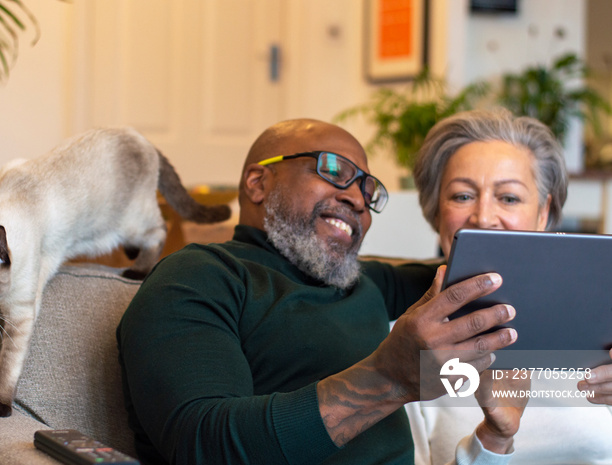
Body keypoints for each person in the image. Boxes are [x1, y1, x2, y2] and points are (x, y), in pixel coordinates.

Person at [117, 118, 519, 465]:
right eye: (334, 171)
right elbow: (202, 445)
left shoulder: (366, 282)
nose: (357, 199)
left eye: (368, 190)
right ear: (258, 182)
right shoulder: (201, 275)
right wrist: (387, 379)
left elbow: (490, 274)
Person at [409, 108, 612, 464]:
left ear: (544, 212)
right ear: (435, 211)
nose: (484, 217)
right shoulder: (402, 346)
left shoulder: (600, 329)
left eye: (509, 198)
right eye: (461, 196)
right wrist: (494, 439)